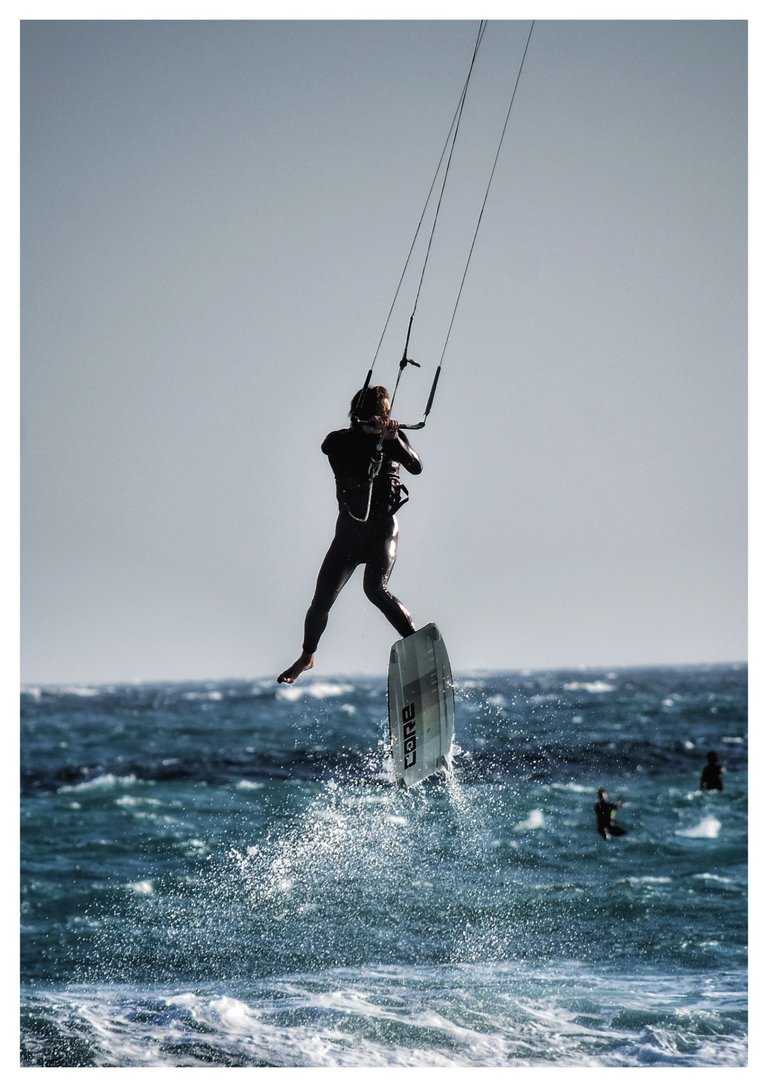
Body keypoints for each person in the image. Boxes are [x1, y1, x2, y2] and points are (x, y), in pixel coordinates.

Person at [277, 384, 423, 684]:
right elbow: (327, 447)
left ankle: (418, 649)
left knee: (375, 589)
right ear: (362, 414)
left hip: (383, 529)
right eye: (379, 413)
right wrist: (366, 433)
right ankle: (307, 656)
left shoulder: (393, 439)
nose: (385, 418)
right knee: (321, 601)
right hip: (349, 535)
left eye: (387, 413)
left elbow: (416, 466)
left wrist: (392, 437)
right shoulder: (340, 441)